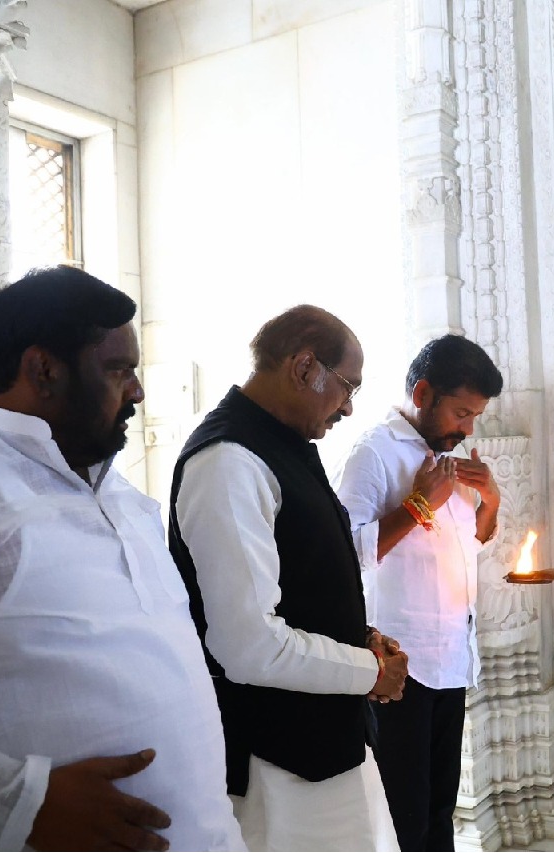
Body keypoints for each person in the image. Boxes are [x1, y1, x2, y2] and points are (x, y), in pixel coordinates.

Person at [0, 266, 244, 851]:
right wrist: (20, 802)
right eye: (119, 369)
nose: (137, 390)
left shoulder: (127, 501)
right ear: (44, 369)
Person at [168, 305, 408, 852]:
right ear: (304, 368)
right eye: (348, 387)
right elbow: (248, 646)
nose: (348, 407)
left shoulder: (284, 442)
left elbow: (303, 577)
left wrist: (360, 638)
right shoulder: (228, 462)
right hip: (277, 766)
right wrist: (368, 669)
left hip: (328, 741)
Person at [333, 334, 503, 852]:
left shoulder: (444, 454)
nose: (468, 427)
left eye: (475, 416)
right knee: (403, 816)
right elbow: (347, 552)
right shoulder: (373, 454)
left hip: (450, 656)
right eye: (461, 412)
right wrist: (421, 504)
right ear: (424, 393)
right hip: (399, 668)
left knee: (438, 810)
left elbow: (475, 536)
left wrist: (489, 497)